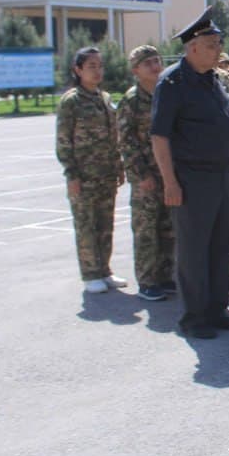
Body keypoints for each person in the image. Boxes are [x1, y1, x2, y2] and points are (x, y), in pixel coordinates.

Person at [150, 10, 229, 339]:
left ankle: (216, 309)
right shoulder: (173, 82)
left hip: (222, 176)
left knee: (220, 246)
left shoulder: (213, 80)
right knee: (193, 250)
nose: (217, 49)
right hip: (192, 179)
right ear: (191, 47)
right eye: (210, 44)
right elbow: (160, 136)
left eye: (218, 43)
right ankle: (194, 317)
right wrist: (170, 182)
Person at [57, 46, 125, 295]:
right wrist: (71, 174)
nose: (97, 71)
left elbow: (113, 136)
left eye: (100, 66)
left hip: (105, 173)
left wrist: (118, 167)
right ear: (78, 70)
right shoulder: (71, 101)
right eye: (91, 67)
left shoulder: (104, 98)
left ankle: (104, 270)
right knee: (86, 225)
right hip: (83, 176)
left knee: (105, 224)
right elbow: (64, 141)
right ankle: (90, 273)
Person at [117, 44, 175, 301]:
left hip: (169, 173)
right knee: (145, 229)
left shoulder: (167, 93)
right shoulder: (131, 100)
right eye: (147, 63)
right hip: (147, 176)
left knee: (167, 227)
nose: (155, 66)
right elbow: (126, 143)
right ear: (136, 71)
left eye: (156, 60)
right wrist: (142, 175)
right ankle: (147, 280)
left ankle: (165, 275)